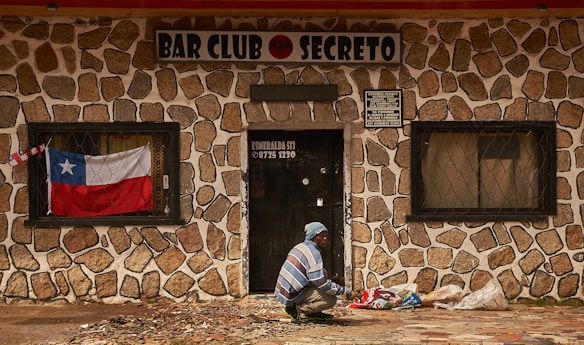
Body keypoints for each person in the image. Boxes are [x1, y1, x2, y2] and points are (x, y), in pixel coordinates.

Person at [274, 221, 353, 320]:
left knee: (323, 272)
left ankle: (313, 313)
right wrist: (343, 290)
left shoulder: (300, 246)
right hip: (292, 295)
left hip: (284, 291)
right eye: (321, 235)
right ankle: (294, 309)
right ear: (313, 237)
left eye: (326, 235)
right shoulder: (313, 253)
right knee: (331, 299)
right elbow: (320, 282)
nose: (325, 238)